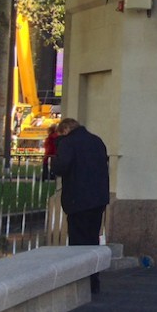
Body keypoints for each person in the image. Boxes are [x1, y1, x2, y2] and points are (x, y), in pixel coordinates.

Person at [52, 117, 110, 294]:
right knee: (92, 239)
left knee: (78, 242)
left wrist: (58, 151)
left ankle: (81, 280)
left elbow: (61, 166)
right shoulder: (97, 141)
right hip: (97, 199)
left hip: (78, 199)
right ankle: (94, 280)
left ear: (65, 130)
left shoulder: (68, 143)